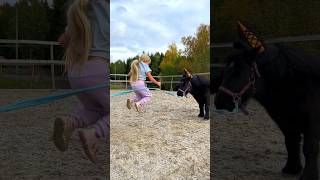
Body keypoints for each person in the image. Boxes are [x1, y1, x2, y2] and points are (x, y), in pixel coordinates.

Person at [55, 0, 109, 163]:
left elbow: (63, 41)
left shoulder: (81, 6)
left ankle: (70, 122)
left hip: (76, 72)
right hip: (99, 71)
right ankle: (94, 133)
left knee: (94, 108)